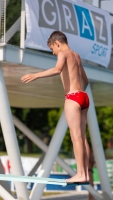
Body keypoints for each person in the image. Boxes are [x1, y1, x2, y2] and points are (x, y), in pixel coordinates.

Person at [21, 31, 90, 184]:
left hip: (72, 97)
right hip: (83, 97)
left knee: (75, 136)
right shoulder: (76, 55)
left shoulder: (63, 54)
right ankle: (85, 173)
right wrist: (78, 90)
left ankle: (80, 174)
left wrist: (35, 75)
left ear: (57, 43)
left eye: (52, 49)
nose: (53, 52)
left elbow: (57, 69)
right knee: (82, 137)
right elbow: (85, 80)